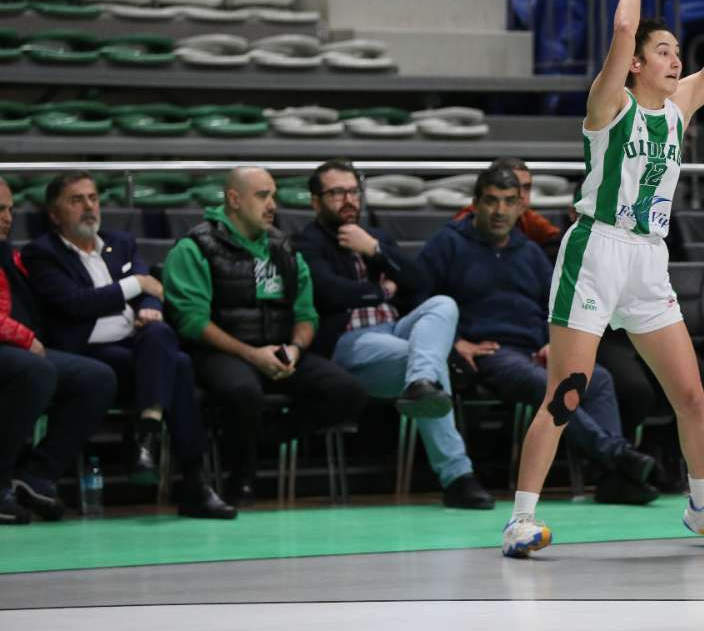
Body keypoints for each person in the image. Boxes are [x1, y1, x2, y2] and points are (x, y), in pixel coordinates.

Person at [501, 0, 704, 557]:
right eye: (664, 51)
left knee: (693, 397)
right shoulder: (608, 104)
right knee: (567, 391)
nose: (675, 60)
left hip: (649, 259)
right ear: (639, 64)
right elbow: (622, 34)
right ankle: (521, 520)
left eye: (676, 51)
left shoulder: (683, 104)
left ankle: (703, 507)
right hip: (595, 249)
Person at [420, 165, 659, 507]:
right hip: (490, 352)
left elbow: (558, 304)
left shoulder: (530, 252)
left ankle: (612, 479)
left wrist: (552, 343)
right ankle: (618, 455)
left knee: (600, 379)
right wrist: (455, 341)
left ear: (522, 207)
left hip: (536, 348)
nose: (499, 211)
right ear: (475, 203)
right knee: (547, 384)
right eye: (490, 201)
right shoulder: (449, 243)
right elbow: (419, 300)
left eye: (508, 202)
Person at [23, 171, 234, 519]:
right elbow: (77, 303)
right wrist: (136, 285)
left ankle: (150, 432)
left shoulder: (119, 242)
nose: (89, 207)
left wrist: (150, 308)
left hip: (137, 348)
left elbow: (153, 294)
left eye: (92, 198)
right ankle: (192, 480)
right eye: (76, 200)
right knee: (177, 364)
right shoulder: (41, 253)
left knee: (162, 337)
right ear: (54, 214)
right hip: (87, 353)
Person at [293, 160, 493, 509]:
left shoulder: (375, 236)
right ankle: (458, 477)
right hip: (349, 343)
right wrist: (381, 292)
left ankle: (421, 383)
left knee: (442, 304)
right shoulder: (305, 243)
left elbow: (419, 281)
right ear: (315, 201)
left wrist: (374, 250)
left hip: (395, 333)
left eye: (353, 191)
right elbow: (329, 292)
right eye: (336, 193)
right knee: (431, 363)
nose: (348, 200)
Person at [162, 167, 367, 505]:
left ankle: (263, 440)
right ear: (234, 199)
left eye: (273, 195)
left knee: (348, 392)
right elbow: (192, 321)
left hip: (280, 350)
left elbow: (306, 314)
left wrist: (296, 349)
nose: (272, 204)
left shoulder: (284, 247)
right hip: (219, 353)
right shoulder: (194, 247)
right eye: (262, 196)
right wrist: (251, 354)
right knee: (243, 391)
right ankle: (242, 478)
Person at [0, 176, 116, 523]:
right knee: (35, 370)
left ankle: (36, 476)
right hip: (14, 348)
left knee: (96, 377)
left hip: (20, 349)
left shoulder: (10, 252)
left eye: (9, 209)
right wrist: (24, 337)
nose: (7, 217)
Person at [452, 157, 562, 255]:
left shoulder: (528, 218)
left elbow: (557, 241)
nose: (522, 195)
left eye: (526, 188)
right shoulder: (460, 227)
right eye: (514, 186)